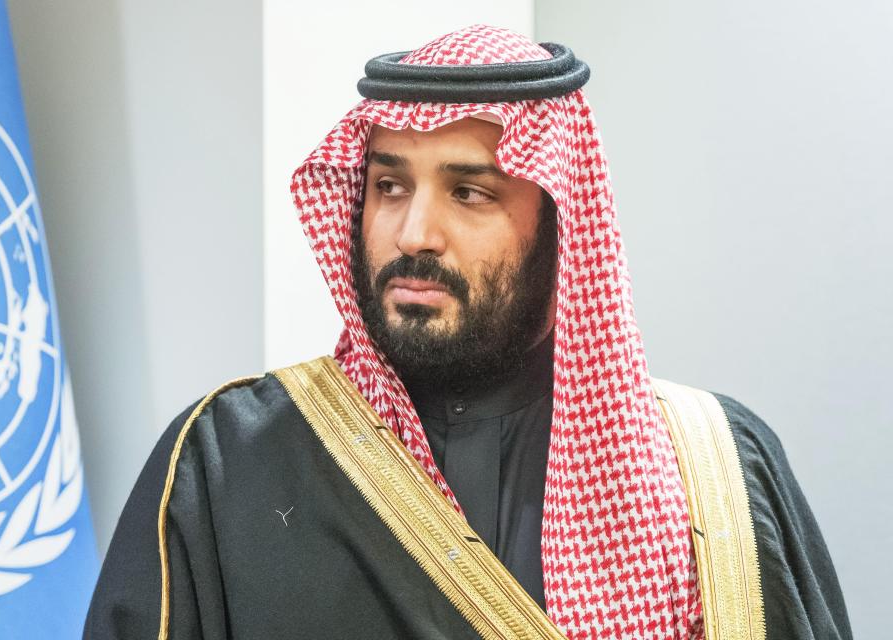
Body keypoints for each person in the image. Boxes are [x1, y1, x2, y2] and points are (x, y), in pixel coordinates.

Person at [83, 25, 852, 640]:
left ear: (559, 228)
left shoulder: (717, 469)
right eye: (389, 185)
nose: (415, 232)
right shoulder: (225, 463)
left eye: (471, 193)